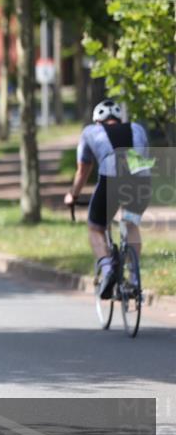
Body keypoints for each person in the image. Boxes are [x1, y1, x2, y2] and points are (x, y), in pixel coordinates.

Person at [64, 99, 152, 299]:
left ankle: (107, 269)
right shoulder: (137, 128)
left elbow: (84, 170)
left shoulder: (89, 132)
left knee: (95, 227)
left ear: (97, 121)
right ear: (119, 119)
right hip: (141, 180)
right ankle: (135, 279)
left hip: (111, 179)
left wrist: (73, 195)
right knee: (130, 223)